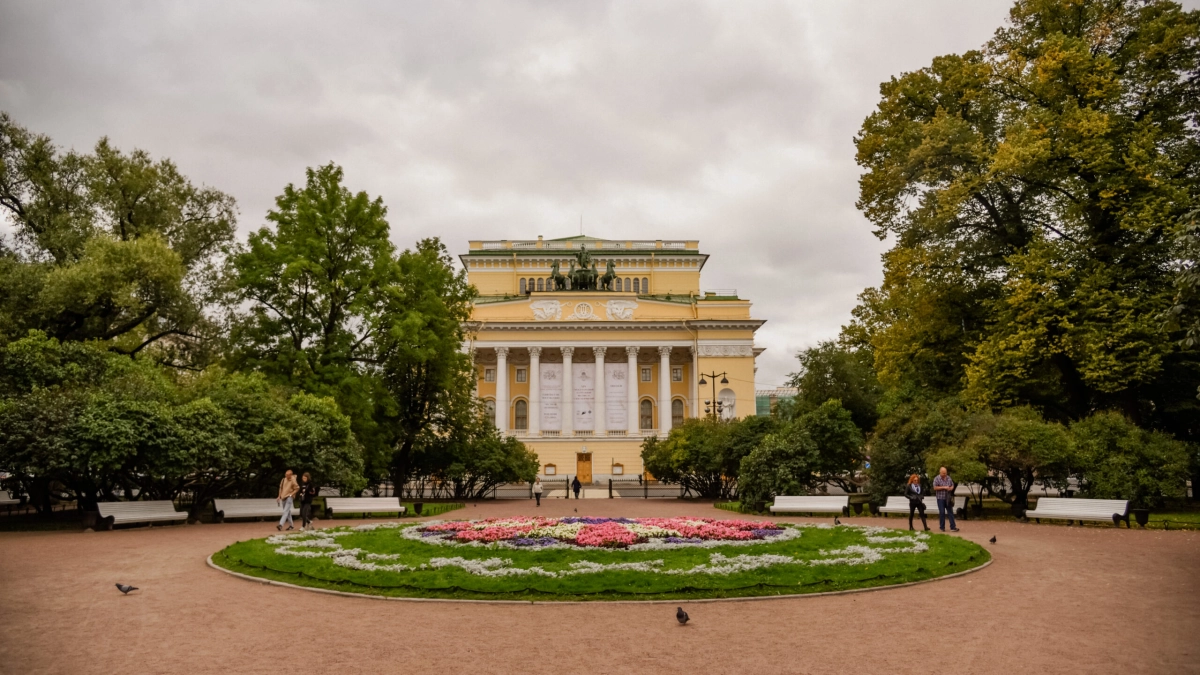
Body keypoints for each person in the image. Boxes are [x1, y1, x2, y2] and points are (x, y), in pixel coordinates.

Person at [933, 466, 959, 532]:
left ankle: (953, 527)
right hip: (940, 498)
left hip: (948, 498)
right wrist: (944, 487)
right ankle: (942, 527)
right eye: (943, 473)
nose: (944, 474)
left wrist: (951, 488)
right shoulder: (937, 478)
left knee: (950, 512)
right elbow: (935, 487)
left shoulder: (948, 478)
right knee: (942, 512)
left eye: (945, 473)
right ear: (940, 472)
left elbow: (952, 485)